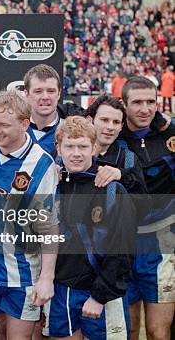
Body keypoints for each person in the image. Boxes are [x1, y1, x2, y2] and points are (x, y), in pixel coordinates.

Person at [0, 89, 59, 340]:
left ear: (24, 124)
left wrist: (47, 277)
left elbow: (48, 228)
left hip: (24, 274)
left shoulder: (41, 164)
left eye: (4, 125)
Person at [43, 116, 134, 339]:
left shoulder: (111, 190)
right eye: (69, 146)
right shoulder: (50, 185)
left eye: (83, 146)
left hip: (103, 293)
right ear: (58, 148)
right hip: (62, 291)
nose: (76, 153)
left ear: (94, 147)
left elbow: (123, 250)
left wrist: (99, 296)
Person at [117, 77, 174, 340]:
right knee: (126, 330)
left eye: (151, 102)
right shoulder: (111, 135)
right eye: (137, 102)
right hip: (121, 244)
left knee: (158, 331)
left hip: (162, 244)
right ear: (124, 105)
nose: (145, 109)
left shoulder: (171, 133)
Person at [0, 64, 83, 156]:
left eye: (51, 91)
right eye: (38, 91)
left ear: (59, 93)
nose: (45, 97)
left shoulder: (74, 128)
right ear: (26, 94)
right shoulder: (2, 129)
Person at [84, 94, 147, 194]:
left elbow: (143, 203)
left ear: (121, 126)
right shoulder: (69, 151)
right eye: (104, 120)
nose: (110, 127)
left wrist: (122, 176)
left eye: (116, 122)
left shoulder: (128, 159)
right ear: (89, 121)